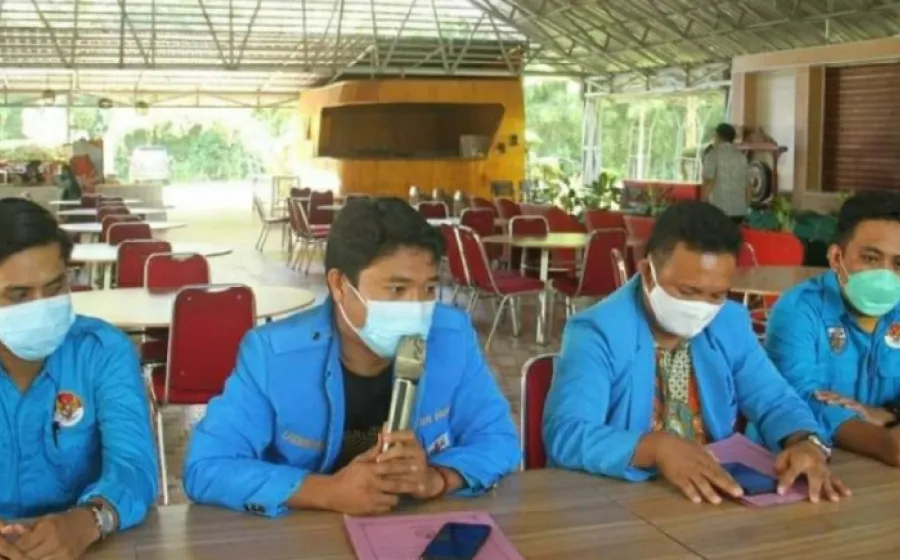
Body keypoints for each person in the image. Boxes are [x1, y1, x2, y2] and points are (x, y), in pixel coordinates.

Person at [184, 197, 519, 517]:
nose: (417, 308)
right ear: (339, 286)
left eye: (429, 288)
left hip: (417, 528)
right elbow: (207, 468)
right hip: (306, 535)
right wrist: (327, 492)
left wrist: (438, 478)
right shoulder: (272, 355)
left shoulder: (452, 336)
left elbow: (499, 439)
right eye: (397, 289)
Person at [543, 201, 849, 504]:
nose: (701, 307)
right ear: (647, 273)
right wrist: (653, 448)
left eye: (716, 294)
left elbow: (775, 400)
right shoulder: (598, 331)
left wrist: (805, 441)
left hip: (710, 500)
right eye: (687, 292)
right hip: (619, 502)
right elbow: (566, 434)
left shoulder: (728, 322)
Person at [0, 199, 158, 559]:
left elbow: (134, 466)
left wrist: (90, 520)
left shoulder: (102, 351)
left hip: (85, 548)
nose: (42, 306)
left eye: (55, 288)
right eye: (19, 295)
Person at [767, 190, 900, 467]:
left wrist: (890, 414)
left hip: (882, 472)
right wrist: (884, 443)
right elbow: (796, 400)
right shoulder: (799, 311)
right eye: (871, 258)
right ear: (837, 257)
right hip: (805, 463)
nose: (886, 275)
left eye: (898, 264)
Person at [702, 123, 749, 222]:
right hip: (739, 211)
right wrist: (747, 207)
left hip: (718, 210)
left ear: (717, 136)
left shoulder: (712, 155)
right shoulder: (742, 157)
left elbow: (709, 182)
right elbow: (747, 186)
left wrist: (704, 205)